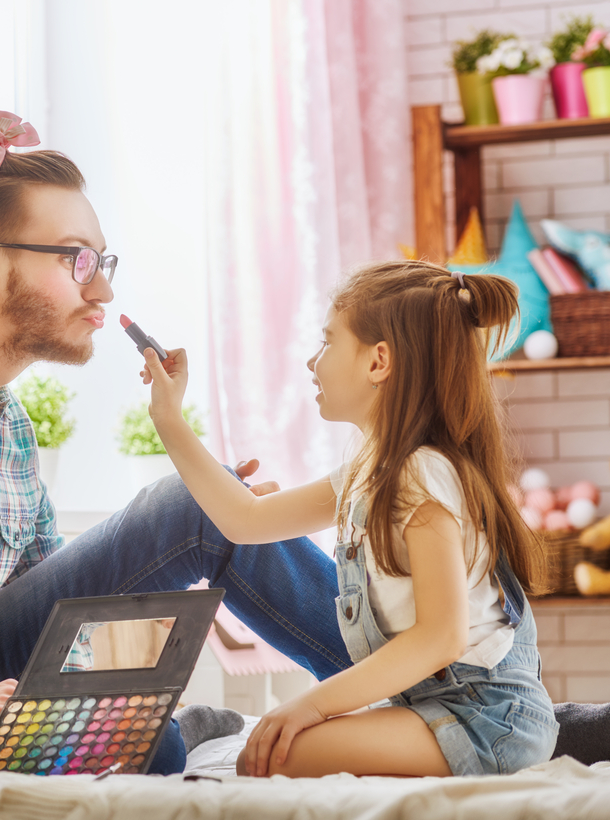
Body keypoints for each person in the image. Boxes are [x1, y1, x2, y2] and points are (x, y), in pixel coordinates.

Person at [0, 112, 606, 776]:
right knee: (154, 746)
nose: (103, 289)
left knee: (196, 512)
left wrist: (158, 620)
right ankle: (428, 717)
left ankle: (457, 705)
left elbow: (48, 603)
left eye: (105, 261)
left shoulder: (9, 426)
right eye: (77, 260)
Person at [138, 260, 560, 778]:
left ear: (379, 361)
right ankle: (209, 726)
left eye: (327, 341)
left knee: (267, 758)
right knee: (266, 754)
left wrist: (311, 705)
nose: (311, 360)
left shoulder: (421, 474)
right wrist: (168, 417)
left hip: (485, 720)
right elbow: (244, 520)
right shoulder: (370, 470)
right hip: (430, 705)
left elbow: (441, 637)